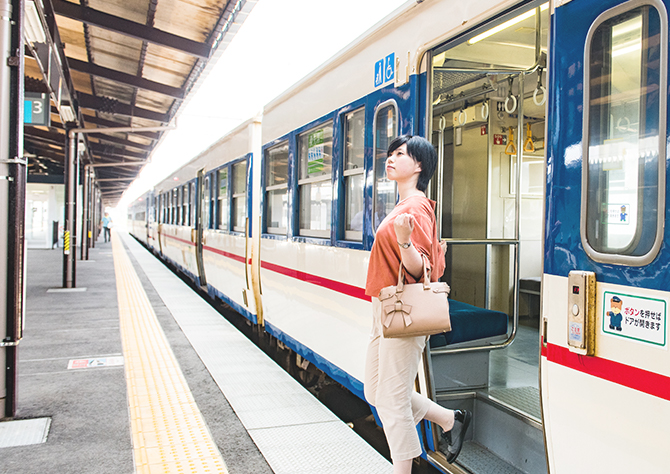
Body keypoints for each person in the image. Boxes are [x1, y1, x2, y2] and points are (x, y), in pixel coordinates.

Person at [364, 135, 471, 473]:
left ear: (420, 165)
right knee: (375, 391)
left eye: (400, 154)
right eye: (390, 153)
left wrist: (405, 241)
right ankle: (448, 418)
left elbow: (419, 268)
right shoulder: (403, 206)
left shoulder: (417, 207)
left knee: (392, 399)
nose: (390, 158)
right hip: (385, 308)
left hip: (405, 313)